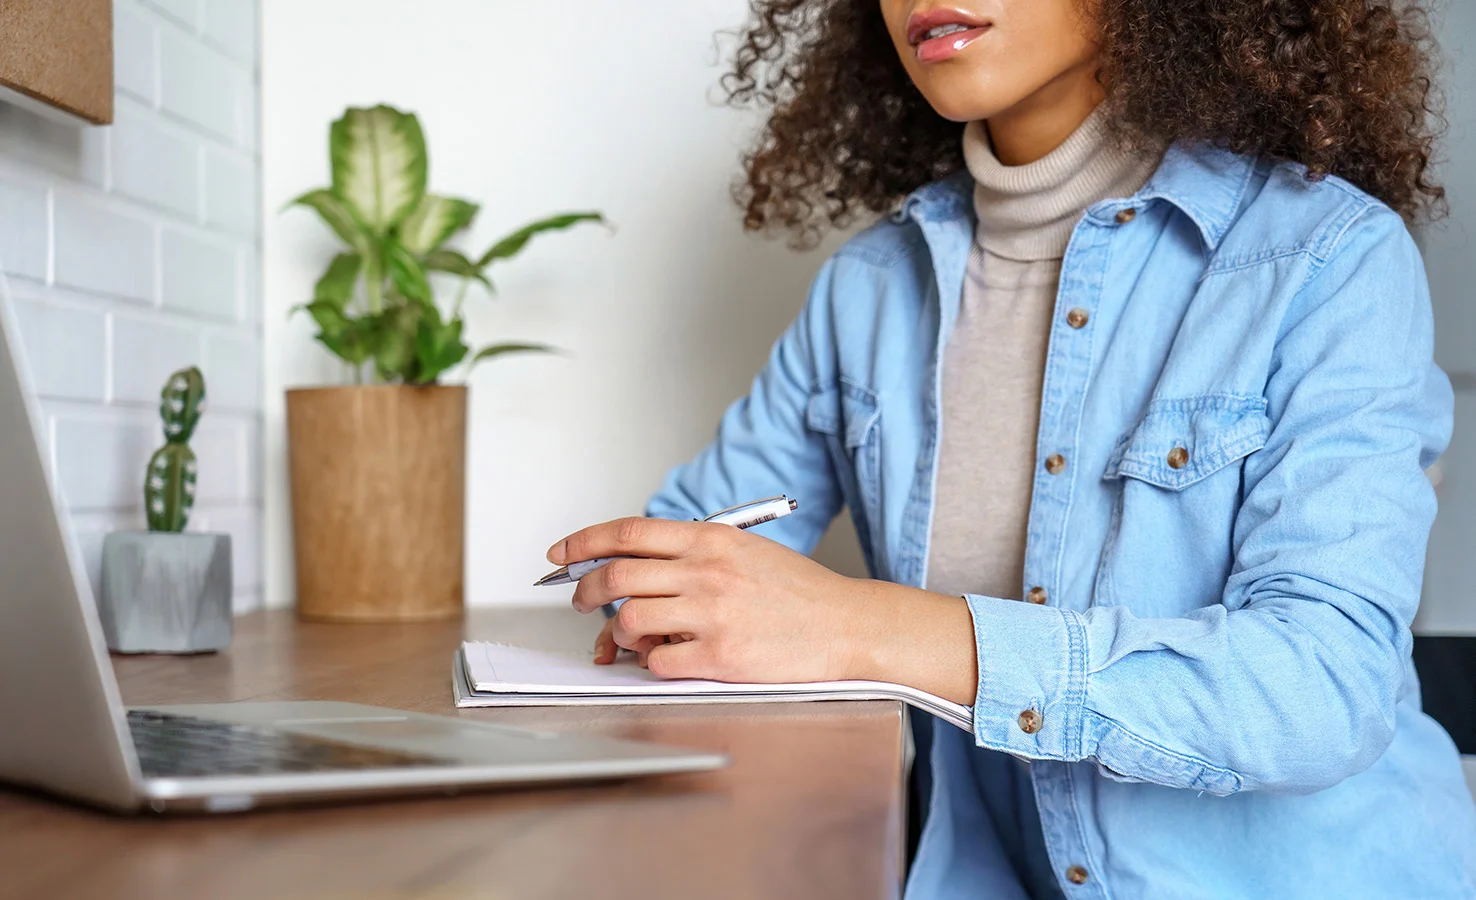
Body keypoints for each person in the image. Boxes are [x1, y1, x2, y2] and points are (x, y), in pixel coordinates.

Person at [548, 0, 1476, 895]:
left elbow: (1318, 690)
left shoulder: (1327, 259)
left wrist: (860, 628)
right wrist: (666, 590)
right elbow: (697, 550)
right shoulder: (868, 289)